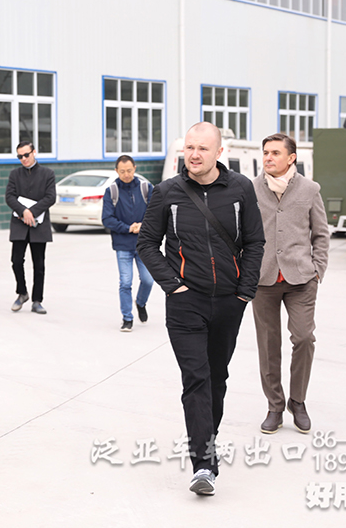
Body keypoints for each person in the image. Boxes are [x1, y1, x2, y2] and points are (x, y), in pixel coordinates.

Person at [137, 122, 264, 496]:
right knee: (196, 378)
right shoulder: (166, 192)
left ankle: (206, 436)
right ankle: (204, 464)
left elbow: (255, 241)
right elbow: (147, 244)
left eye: (202, 148)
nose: (194, 154)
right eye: (189, 147)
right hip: (185, 303)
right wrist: (173, 286)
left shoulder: (240, 188)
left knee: (217, 378)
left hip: (228, 301)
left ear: (219, 152)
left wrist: (244, 292)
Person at [252, 133, 329, 435]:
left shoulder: (310, 189)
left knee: (304, 338)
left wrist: (318, 269)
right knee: (268, 346)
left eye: (275, 153)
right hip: (263, 280)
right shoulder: (251, 189)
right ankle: (275, 406)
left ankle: (298, 401)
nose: (268, 157)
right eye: (265, 152)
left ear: (291, 157)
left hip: (301, 279)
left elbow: (321, 234)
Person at [101, 155, 154, 332]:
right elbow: (107, 219)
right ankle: (127, 318)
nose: (126, 174)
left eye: (129, 170)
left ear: (135, 168)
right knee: (125, 282)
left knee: (148, 280)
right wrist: (128, 228)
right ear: (116, 171)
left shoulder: (146, 188)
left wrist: (143, 225)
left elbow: (156, 212)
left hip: (144, 244)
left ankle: (141, 303)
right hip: (123, 244)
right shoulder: (112, 191)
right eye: (122, 171)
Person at [4, 141, 56, 314]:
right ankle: (22, 292)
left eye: (26, 155)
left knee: (39, 264)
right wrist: (23, 211)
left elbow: (50, 197)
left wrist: (32, 212)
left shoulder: (48, 174)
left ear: (34, 152)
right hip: (19, 223)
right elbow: (9, 197)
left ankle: (37, 300)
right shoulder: (15, 174)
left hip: (39, 224)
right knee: (16, 261)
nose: (24, 159)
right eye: (20, 156)